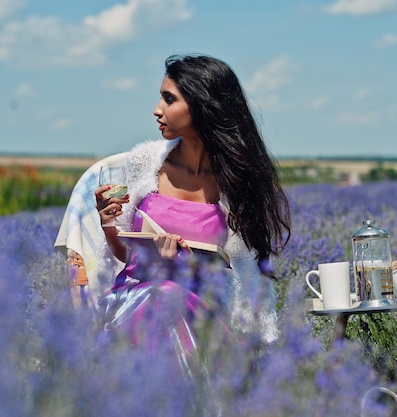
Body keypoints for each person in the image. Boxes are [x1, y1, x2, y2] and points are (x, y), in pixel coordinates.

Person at [56, 54, 291, 351]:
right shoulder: (145, 163)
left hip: (206, 313)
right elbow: (123, 256)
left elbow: (246, 278)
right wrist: (107, 223)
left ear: (203, 105)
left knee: (170, 296)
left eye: (169, 100)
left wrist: (186, 268)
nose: (157, 110)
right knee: (163, 296)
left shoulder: (237, 185)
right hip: (133, 301)